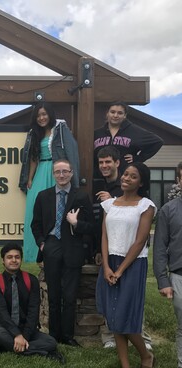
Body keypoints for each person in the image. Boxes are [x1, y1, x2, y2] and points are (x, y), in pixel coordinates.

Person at [96, 163, 156, 368]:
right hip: (110, 261)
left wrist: (120, 270)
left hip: (133, 263)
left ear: (141, 182)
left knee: (124, 315)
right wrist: (106, 266)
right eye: (126, 174)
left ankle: (146, 356)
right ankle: (125, 367)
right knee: (113, 316)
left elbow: (140, 241)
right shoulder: (109, 205)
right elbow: (104, 237)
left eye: (133, 176)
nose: (126, 178)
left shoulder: (146, 206)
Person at [32, 159, 93, 346]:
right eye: (57, 172)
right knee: (54, 296)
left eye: (65, 171)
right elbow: (36, 224)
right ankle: (54, 335)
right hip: (51, 246)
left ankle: (67, 336)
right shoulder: (43, 196)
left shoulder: (81, 196)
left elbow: (91, 226)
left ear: (71, 173)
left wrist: (76, 224)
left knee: (69, 296)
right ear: (53, 174)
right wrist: (42, 243)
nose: (61, 175)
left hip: (73, 248)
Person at [19, 102, 80, 263]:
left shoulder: (61, 129)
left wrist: (72, 177)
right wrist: (30, 178)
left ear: (50, 114)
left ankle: (56, 247)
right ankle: (36, 252)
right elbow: (34, 157)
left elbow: (71, 151)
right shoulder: (34, 133)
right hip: (40, 172)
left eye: (44, 114)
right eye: (38, 115)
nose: (41, 118)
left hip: (56, 171)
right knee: (35, 211)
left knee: (56, 209)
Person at [0, 242, 64, 362]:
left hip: (26, 327)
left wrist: (24, 337)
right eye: (9, 257)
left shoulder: (31, 280)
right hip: (5, 327)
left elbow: (33, 311)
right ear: (3, 261)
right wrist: (17, 335)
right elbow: (1, 313)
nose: (14, 260)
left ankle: (6, 347)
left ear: (21, 259)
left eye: (17, 257)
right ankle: (42, 352)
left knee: (51, 342)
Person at [153, 162, 182, 368]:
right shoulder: (168, 210)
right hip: (179, 276)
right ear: (179, 181)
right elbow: (160, 248)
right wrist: (163, 280)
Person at [93, 101, 163, 178]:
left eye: (120, 113)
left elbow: (157, 141)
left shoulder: (134, 131)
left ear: (125, 115)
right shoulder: (97, 133)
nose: (115, 115)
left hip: (124, 178)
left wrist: (139, 158)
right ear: (107, 114)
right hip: (100, 178)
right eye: (112, 112)